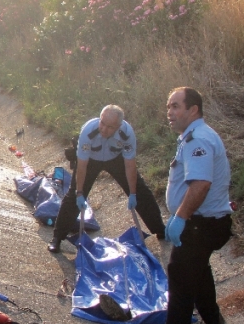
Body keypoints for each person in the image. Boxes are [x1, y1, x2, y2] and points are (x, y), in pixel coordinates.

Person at [126, 87, 233, 324]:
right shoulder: (193, 137)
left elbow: (200, 185)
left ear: (193, 110)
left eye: (176, 106)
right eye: (168, 106)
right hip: (206, 224)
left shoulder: (199, 140)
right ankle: (214, 321)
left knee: (181, 282)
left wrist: (181, 218)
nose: (170, 112)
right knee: (198, 269)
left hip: (200, 225)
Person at [48, 105, 166, 252]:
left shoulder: (127, 133)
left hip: (115, 158)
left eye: (110, 127)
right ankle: (57, 238)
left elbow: (130, 165)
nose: (104, 129)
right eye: (102, 123)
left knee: (141, 191)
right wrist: (79, 193)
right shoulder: (88, 131)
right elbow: (82, 165)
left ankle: (160, 229)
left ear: (119, 126)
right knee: (73, 196)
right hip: (90, 159)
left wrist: (133, 194)